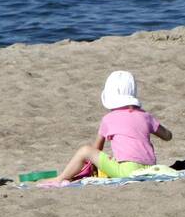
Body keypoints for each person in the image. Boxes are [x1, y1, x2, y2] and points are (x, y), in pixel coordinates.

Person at [39, 70, 172, 185]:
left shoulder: (108, 119)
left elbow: (97, 149)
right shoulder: (145, 116)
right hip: (150, 168)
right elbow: (167, 136)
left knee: (85, 150)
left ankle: (60, 178)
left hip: (127, 171)